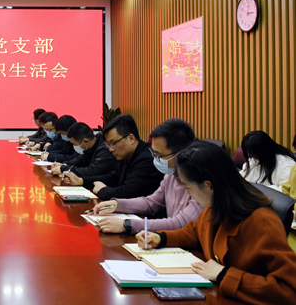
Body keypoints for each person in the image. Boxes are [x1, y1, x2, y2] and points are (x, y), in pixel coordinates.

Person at [136, 141, 296, 305]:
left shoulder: (261, 222)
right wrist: (161, 238)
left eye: (188, 187)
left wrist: (224, 274)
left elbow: (289, 291)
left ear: (209, 186)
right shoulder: (216, 206)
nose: (188, 194)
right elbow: (196, 231)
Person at [91, 118, 203, 235]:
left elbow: (180, 223)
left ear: (180, 154)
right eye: (153, 154)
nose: (155, 160)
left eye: (159, 155)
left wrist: (128, 225)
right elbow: (151, 203)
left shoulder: (200, 182)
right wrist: (117, 204)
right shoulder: (170, 175)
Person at [62, 114, 163, 200]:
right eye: (108, 145)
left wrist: (103, 190)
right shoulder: (126, 156)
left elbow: (127, 193)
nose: (110, 149)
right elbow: (111, 178)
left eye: (113, 143)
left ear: (131, 139)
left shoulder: (147, 159)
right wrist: (81, 181)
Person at [50, 122, 118, 178]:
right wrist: (64, 164)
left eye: (74, 144)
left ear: (86, 141)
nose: (74, 146)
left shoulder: (105, 149)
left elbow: (92, 171)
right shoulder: (91, 146)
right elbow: (80, 160)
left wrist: (64, 169)